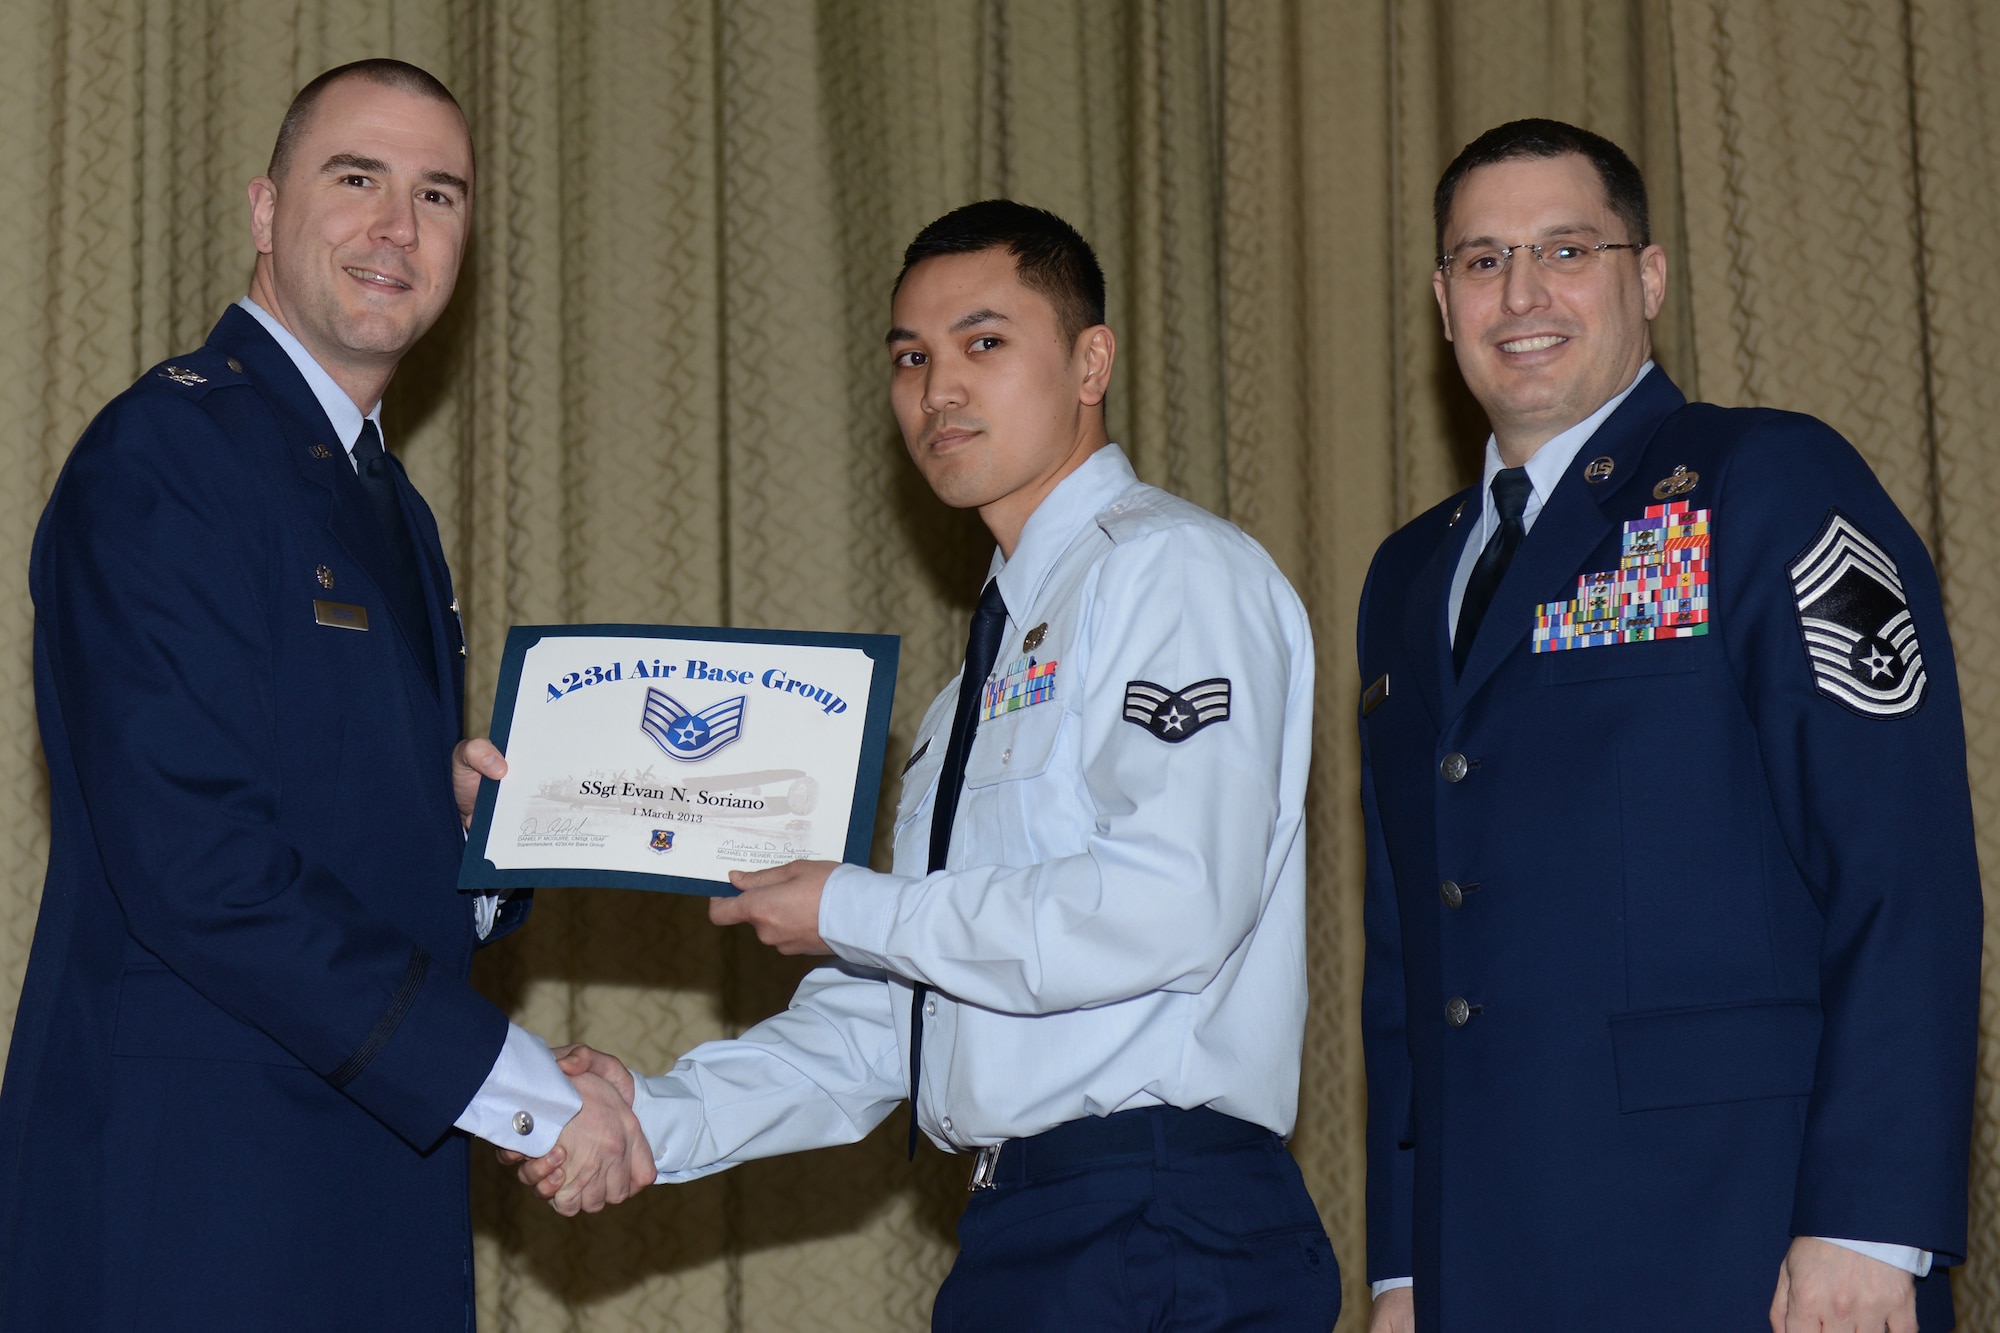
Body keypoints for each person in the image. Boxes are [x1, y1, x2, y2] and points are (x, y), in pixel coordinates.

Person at [515, 200, 1341, 1330]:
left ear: (1090, 360)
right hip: (1023, 1230)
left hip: (1158, 1218)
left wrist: (855, 905)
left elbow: (1172, 901)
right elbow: (893, 1016)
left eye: (983, 344)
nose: (938, 391)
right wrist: (655, 1118)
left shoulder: (1171, 573)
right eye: (911, 357)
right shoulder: (971, 686)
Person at [0, 60, 650, 1330]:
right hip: (192, 1206)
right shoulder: (170, 452)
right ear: (263, 209)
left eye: (439, 195)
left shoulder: (390, 510)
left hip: (352, 1186)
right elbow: (195, 862)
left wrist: (482, 841)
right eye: (356, 179)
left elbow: (335, 837)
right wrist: (518, 1086)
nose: (396, 228)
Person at [1358, 118, 1982, 1333]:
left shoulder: (1765, 482)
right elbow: (1408, 965)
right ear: (1441, 301)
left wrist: (1863, 1224)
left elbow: (1896, 866)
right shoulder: (1404, 578)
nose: (1520, 293)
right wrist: (1401, 1263)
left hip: (1740, 1240)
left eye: (1565, 250)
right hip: (1481, 1258)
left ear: (1646, 278)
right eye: (1481, 260)